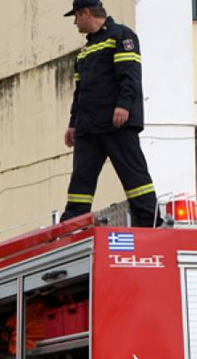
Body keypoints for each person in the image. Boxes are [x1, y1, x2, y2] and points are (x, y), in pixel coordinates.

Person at [61, 0, 161, 227]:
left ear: (86, 13)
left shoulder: (121, 37)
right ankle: (73, 224)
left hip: (117, 123)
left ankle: (149, 221)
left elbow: (130, 75)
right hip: (88, 126)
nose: (75, 22)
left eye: (76, 16)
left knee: (133, 175)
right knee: (80, 181)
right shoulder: (85, 51)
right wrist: (73, 123)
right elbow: (80, 92)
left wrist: (124, 105)